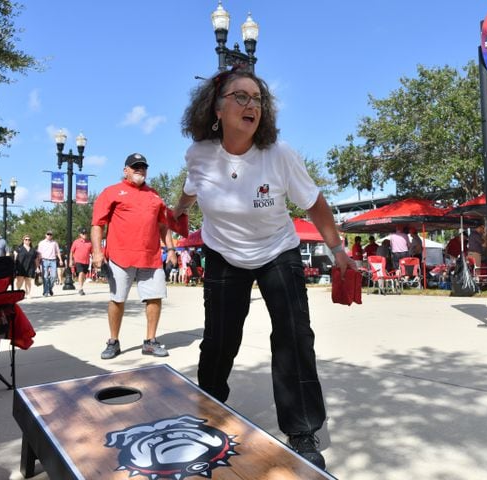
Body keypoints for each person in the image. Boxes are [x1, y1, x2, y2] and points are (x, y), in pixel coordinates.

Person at [171, 67, 356, 470]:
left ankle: (302, 430)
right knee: (220, 339)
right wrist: (178, 214)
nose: (251, 104)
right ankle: (209, 412)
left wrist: (338, 249)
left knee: (293, 336)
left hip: (278, 251)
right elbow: (188, 191)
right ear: (215, 109)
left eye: (257, 98)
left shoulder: (280, 155)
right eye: (240, 96)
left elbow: (315, 204)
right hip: (222, 253)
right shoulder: (200, 155)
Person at [92, 152, 176, 360]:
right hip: (120, 256)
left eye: (143, 167)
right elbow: (97, 224)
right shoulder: (111, 192)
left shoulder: (154, 195)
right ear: (125, 170)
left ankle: (150, 341)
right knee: (117, 299)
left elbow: (164, 226)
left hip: (151, 257)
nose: (140, 170)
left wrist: (171, 250)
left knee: (155, 298)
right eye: (135, 166)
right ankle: (113, 341)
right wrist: (97, 252)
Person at [36, 230, 62, 297]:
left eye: (50, 234)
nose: (49, 235)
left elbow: (58, 252)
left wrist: (61, 260)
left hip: (53, 260)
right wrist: (38, 263)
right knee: (45, 277)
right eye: (48, 234)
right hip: (44, 260)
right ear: (45, 235)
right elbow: (39, 253)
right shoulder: (41, 243)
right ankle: (45, 292)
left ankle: (49, 288)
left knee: (54, 276)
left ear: (52, 235)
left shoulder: (54, 243)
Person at [70, 227, 93, 295]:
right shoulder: (76, 242)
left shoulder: (89, 243)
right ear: (80, 234)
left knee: (83, 275)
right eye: (83, 233)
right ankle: (80, 288)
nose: (84, 235)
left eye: (85, 233)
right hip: (78, 261)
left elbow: (92, 252)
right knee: (81, 273)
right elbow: (71, 252)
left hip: (86, 262)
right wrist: (70, 261)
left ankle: (81, 286)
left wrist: (94, 259)